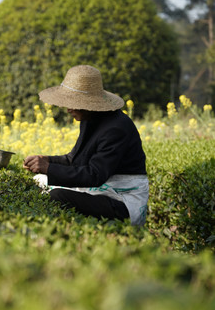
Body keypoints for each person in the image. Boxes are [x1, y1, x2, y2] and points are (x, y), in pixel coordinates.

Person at [23, 65, 149, 225]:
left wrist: (48, 168)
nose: (68, 109)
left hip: (121, 200)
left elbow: (95, 175)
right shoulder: (89, 119)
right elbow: (73, 160)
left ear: (89, 103)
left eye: (73, 103)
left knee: (57, 196)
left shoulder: (116, 128)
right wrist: (45, 160)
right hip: (102, 190)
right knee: (38, 181)